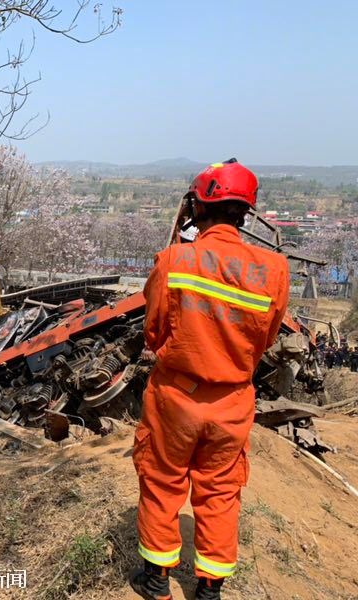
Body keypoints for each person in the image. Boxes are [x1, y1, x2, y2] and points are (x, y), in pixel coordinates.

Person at [131, 160, 289, 600]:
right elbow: (267, 337)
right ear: (245, 211)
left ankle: (158, 580)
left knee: (163, 480)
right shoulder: (275, 270)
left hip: (176, 396)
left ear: (197, 205)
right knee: (220, 490)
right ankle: (209, 589)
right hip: (234, 400)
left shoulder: (176, 259)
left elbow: (154, 330)